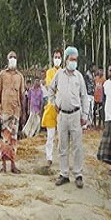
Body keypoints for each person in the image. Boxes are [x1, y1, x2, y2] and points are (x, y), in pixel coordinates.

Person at [48, 46, 88, 188]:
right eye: (71, 59)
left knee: (77, 146)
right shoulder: (59, 75)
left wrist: (85, 115)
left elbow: (84, 96)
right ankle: (64, 174)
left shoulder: (79, 76)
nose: (73, 62)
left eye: (75, 60)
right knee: (62, 145)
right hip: (62, 115)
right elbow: (51, 90)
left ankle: (78, 174)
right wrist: (54, 104)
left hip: (76, 115)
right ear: (66, 60)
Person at [0, 51, 26, 174]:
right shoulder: (2, 74)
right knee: (4, 139)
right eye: (10, 57)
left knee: (13, 139)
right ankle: (3, 165)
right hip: (5, 112)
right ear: (7, 60)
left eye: (14, 57)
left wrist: (23, 112)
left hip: (16, 112)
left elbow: (22, 95)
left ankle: (13, 164)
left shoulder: (20, 76)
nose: (13, 59)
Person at [41, 49, 62, 168]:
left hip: (62, 108)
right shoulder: (49, 72)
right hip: (51, 107)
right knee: (50, 136)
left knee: (62, 137)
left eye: (59, 57)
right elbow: (51, 86)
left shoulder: (65, 72)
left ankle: (61, 159)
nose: (57, 59)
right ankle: (49, 158)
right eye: (55, 57)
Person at [84, 63, 96, 128]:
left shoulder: (93, 75)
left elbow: (93, 84)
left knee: (91, 109)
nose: (94, 69)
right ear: (90, 68)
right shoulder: (87, 75)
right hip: (87, 94)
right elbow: (85, 84)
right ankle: (85, 124)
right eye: (93, 67)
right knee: (87, 109)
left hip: (92, 94)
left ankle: (90, 123)